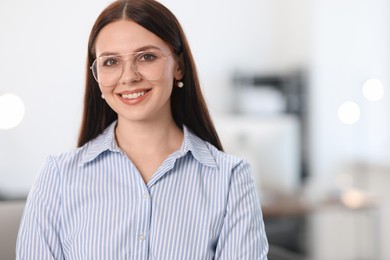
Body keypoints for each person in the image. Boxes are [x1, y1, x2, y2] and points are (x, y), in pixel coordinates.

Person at [16, 0, 269, 259]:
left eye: (146, 57)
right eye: (111, 62)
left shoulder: (230, 179)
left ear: (179, 66)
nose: (128, 77)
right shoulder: (58, 177)